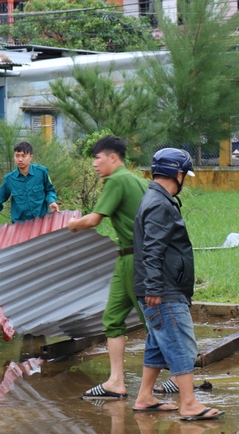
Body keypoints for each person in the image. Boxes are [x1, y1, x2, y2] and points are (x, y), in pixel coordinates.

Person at [133, 148, 223, 421]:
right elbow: (152, 250)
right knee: (181, 343)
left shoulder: (156, 199)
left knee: (158, 343)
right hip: (165, 289)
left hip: (161, 286)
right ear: (178, 174)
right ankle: (189, 403)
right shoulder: (160, 204)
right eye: (185, 174)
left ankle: (145, 397)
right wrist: (155, 288)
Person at [67, 135, 147, 399]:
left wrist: (70, 223)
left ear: (113, 157)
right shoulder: (138, 180)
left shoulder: (116, 180)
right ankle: (115, 381)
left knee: (154, 321)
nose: (94, 164)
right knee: (113, 319)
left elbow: (93, 220)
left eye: (98, 157)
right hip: (128, 257)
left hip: (136, 259)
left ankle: (179, 380)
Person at [0, 142, 58, 224]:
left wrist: (51, 201)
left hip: (42, 221)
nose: (20, 159)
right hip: (20, 225)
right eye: (17, 156)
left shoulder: (41, 173)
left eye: (23, 156)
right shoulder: (9, 179)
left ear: (31, 157)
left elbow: (49, 190)